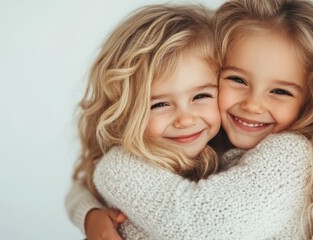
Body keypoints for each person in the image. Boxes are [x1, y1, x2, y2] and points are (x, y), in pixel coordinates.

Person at [90, 0, 313, 239]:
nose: (252, 105)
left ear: (308, 101)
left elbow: (201, 227)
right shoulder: (209, 146)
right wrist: (89, 214)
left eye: (280, 91)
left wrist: (112, 168)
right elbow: (86, 192)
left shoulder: (291, 155)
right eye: (238, 80)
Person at [67, 4, 222, 239]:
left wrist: (88, 214)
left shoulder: (234, 146)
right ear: (125, 110)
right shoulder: (130, 162)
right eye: (159, 104)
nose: (185, 119)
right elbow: (82, 187)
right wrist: (90, 213)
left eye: (201, 96)